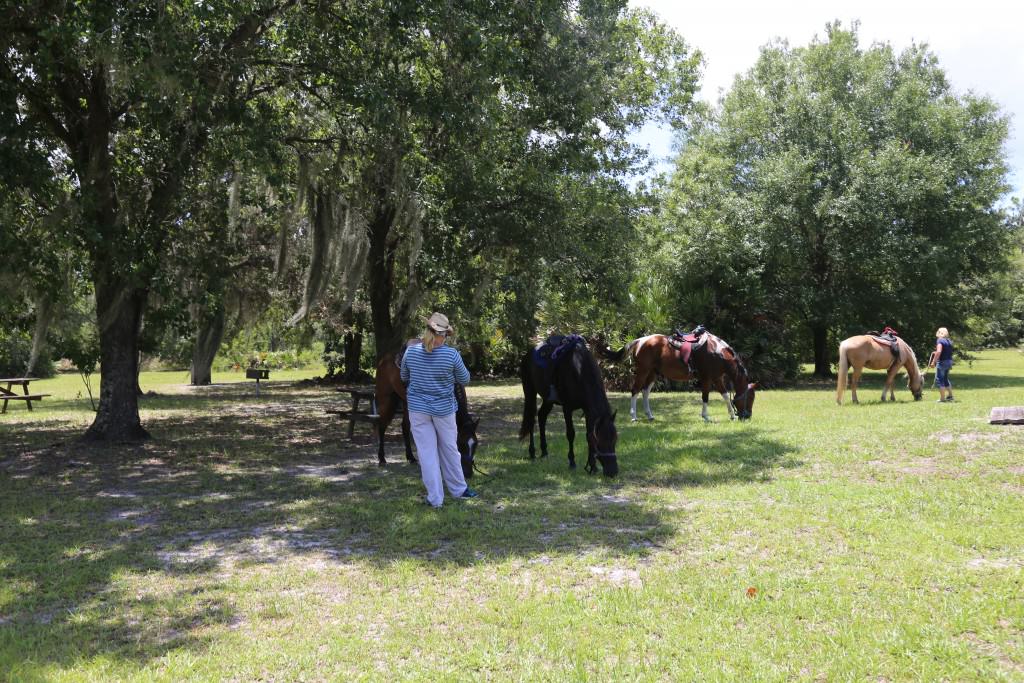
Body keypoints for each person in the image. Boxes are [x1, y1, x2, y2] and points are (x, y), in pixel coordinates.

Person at [400, 312, 477, 507]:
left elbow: (404, 376)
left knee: (427, 454)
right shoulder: (452, 355)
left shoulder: (411, 352)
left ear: (428, 331)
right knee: (450, 449)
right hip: (444, 410)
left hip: (418, 410)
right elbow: (465, 379)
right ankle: (459, 490)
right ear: (444, 334)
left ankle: (435, 499)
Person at [928, 327, 955, 403]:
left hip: (942, 362)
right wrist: (935, 352)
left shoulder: (940, 340)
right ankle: (950, 396)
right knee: (945, 379)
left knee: (940, 380)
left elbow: (939, 351)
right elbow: (944, 351)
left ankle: (942, 399)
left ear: (940, 333)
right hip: (949, 361)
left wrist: (933, 362)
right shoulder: (948, 341)